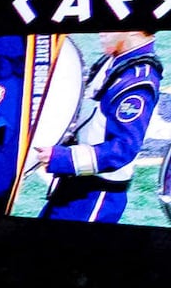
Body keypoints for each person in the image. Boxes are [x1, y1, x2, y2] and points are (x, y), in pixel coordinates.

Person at [27, 27, 163, 223]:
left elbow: (124, 149)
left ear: (135, 31)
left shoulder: (138, 82)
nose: (101, 31)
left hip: (95, 196)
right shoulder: (117, 58)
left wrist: (65, 158)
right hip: (75, 184)